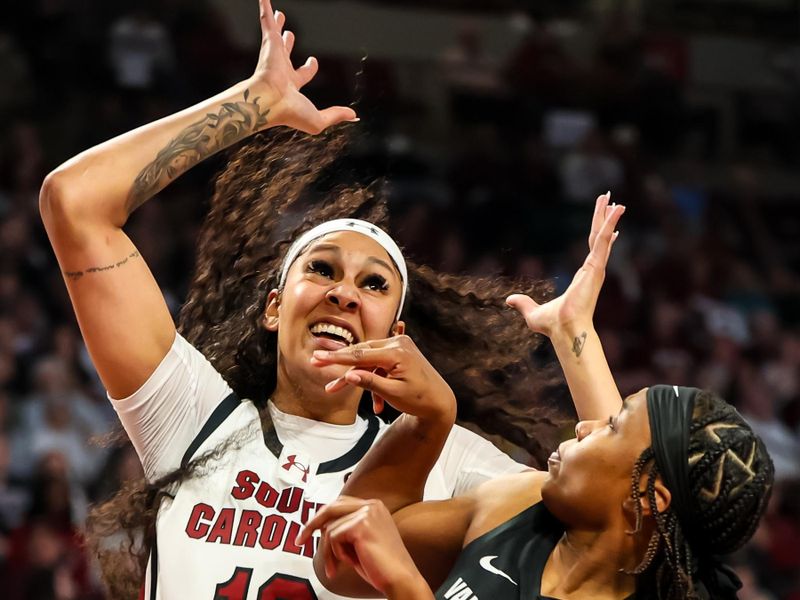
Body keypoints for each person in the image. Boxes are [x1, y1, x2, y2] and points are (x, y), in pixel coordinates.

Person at [39, 2, 572, 598]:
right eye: (321, 270)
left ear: (397, 335)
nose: (344, 293)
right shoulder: (192, 415)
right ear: (273, 307)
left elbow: (612, 504)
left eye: (373, 285)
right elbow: (75, 204)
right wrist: (251, 106)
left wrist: (576, 341)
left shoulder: (444, 458)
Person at [300, 204, 775, 600]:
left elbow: (390, 569)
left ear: (651, 499)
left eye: (612, 426)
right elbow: (341, 561)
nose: (587, 425)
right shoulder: (520, 507)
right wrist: (429, 418)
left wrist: (406, 587)